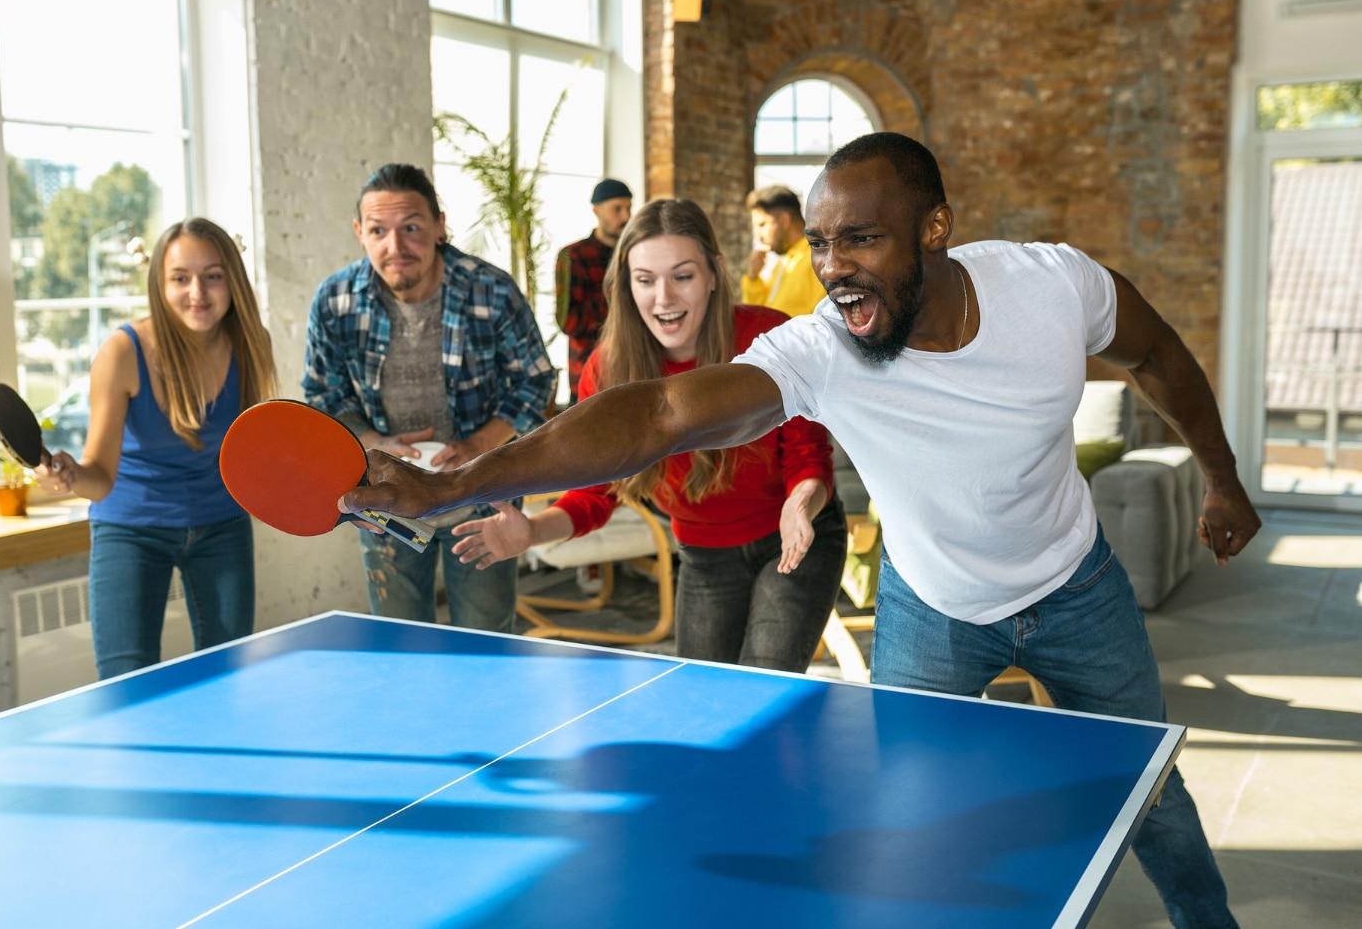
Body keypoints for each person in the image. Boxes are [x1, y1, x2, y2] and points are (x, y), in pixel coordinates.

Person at [346, 133, 1261, 929]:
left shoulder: (1053, 285)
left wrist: (1220, 477)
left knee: (1152, 794)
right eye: (822, 244)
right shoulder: (823, 346)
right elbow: (665, 413)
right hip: (932, 607)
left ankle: (1206, 921)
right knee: (911, 809)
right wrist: (463, 482)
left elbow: (1157, 353)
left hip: (1075, 585)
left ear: (933, 229)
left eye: (862, 239)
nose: (835, 267)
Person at [452, 199, 848, 672]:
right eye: (645, 280)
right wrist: (532, 531)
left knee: (765, 686)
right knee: (704, 704)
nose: (663, 298)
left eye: (682, 276)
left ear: (715, 274)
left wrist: (801, 501)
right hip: (703, 557)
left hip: (797, 540)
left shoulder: (768, 337)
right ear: (626, 286)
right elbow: (596, 492)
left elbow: (809, 456)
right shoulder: (607, 372)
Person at [303, 163, 555, 634]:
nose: (394, 247)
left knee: (486, 643)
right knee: (402, 645)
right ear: (360, 233)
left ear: (440, 226)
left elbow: (535, 380)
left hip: (484, 496)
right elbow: (323, 394)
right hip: (384, 498)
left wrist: (482, 443)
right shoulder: (334, 301)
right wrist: (375, 439)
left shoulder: (492, 291)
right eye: (378, 230)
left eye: (411, 228)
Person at [35, 217, 279, 680]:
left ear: (233, 280)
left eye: (213, 276)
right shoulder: (122, 353)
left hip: (221, 523)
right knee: (127, 685)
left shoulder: (250, 343)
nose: (198, 293)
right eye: (180, 278)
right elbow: (99, 477)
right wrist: (67, 475)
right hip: (131, 528)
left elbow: (252, 453)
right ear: (159, 284)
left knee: (228, 678)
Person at [554, 178, 633, 401]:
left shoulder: (636, 253)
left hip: (635, 375)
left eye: (628, 208)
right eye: (617, 209)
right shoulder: (573, 256)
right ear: (597, 211)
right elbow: (568, 322)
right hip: (589, 378)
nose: (626, 216)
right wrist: (613, 293)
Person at [742, 185, 826, 318]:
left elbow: (821, 320)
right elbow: (758, 315)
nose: (759, 236)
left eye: (762, 224)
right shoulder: (783, 263)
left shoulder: (816, 259)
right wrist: (753, 278)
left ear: (784, 220)